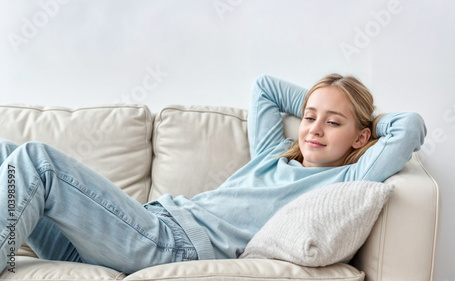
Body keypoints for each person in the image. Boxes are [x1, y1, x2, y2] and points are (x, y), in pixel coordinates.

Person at [0, 74, 426, 274]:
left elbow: (410, 127)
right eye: (310, 116)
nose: (314, 128)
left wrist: (363, 116)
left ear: (360, 137)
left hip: (170, 244)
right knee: (7, 152)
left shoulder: (344, 180)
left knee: (38, 160)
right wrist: (325, 100)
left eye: (334, 123)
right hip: (136, 225)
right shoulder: (272, 154)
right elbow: (265, 87)